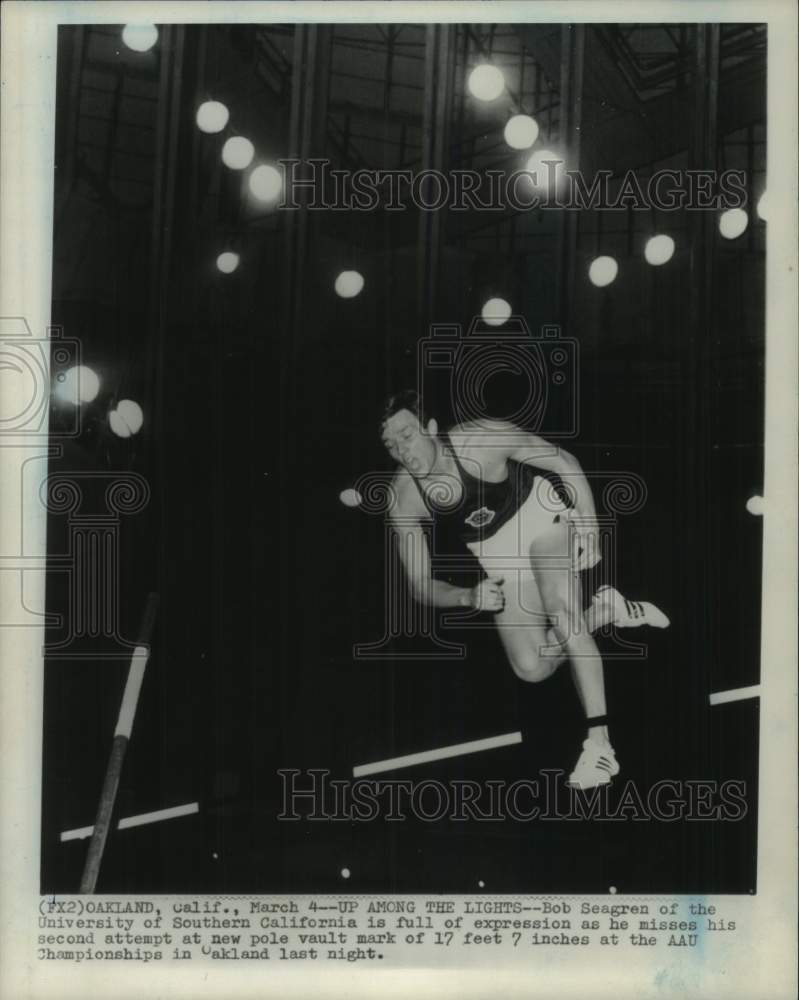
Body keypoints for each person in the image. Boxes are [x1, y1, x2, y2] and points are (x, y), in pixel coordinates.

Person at [380, 390, 669, 790]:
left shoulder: (482, 439)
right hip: (495, 553)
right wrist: (466, 596)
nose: (402, 451)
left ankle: (600, 745)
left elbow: (563, 461)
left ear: (429, 427)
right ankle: (607, 610)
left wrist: (590, 525)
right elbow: (419, 585)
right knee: (531, 667)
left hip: (541, 517)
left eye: (407, 435)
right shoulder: (403, 498)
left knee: (563, 614)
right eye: (391, 445)